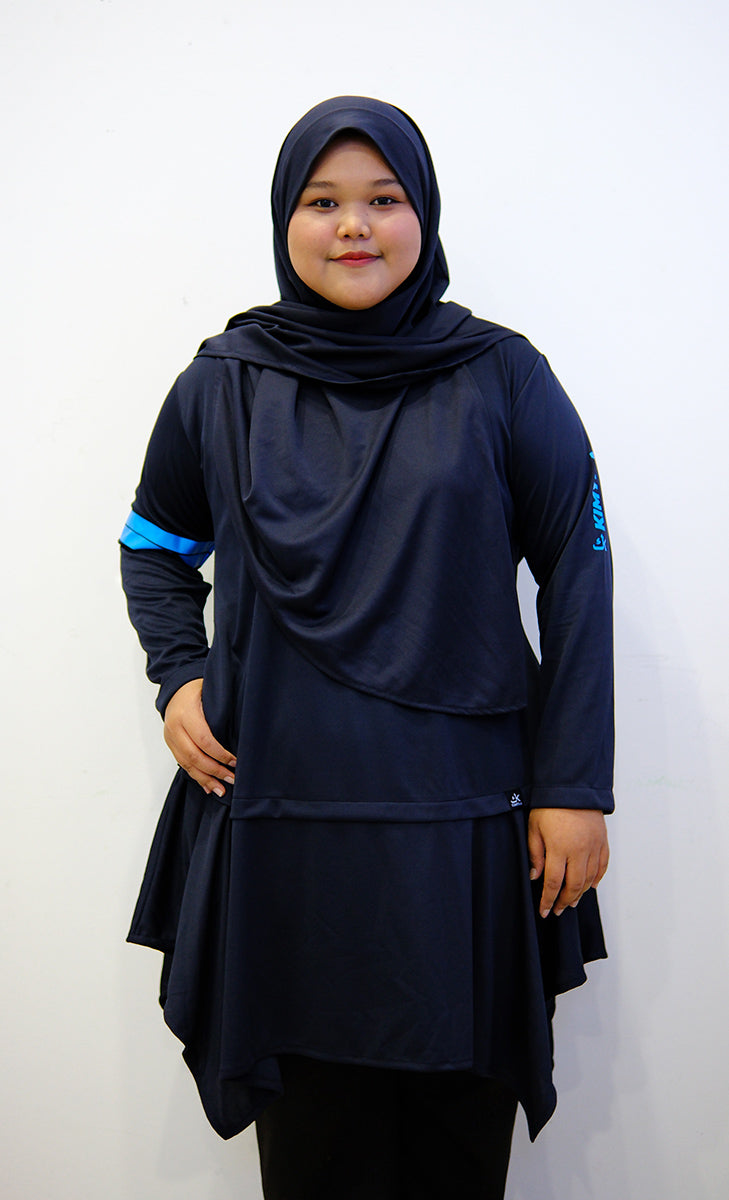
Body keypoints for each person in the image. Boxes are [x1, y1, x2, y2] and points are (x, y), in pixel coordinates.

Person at [121, 96, 613, 1200]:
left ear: (423, 215)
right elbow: (152, 547)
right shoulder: (221, 384)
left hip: (464, 828)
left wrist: (573, 785)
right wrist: (178, 671)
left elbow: (579, 566)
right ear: (284, 221)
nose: (354, 225)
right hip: (282, 826)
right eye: (323, 201)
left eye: (383, 199)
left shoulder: (502, 375)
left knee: (455, 1144)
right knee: (314, 1152)